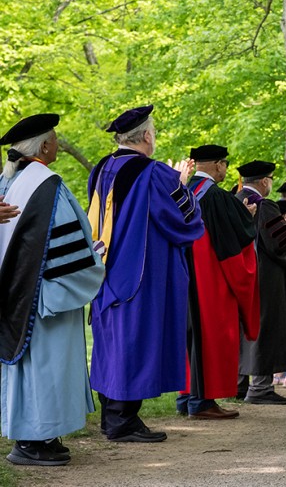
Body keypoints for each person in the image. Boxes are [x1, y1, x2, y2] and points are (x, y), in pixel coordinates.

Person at [88, 105, 204, 442]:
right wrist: (181, 185)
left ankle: (115, 417)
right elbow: (183, 221)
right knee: (134, 343)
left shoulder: (100, 168)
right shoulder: (153, 173)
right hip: (139, 276)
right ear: (148, 137)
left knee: (112, 344)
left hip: (104, 271)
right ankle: (122, 422)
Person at [0, 114, 105, 466]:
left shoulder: (8, 182)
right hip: (46, 296)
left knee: (30, 369)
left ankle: (37, 438)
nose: (58, 144)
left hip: (16, 294)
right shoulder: (47, 184)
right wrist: (95, 261)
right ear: (44, 146)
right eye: (55, 139)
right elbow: (68, 241)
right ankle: (34, 441)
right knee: (46, 367)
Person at [176, 145, 259, 419]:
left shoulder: (183, 192)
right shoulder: (216, 197)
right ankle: (202, 402)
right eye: (225, 164)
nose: (226, 169)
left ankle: (187, 396)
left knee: (189, 336)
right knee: (210, 337)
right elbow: (235, 245)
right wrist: (246, 218)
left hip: (183, 278)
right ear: (218, 165)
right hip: (210, 281)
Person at [235, 160, 286, 406]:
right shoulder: (265, 206)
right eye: (271, 179)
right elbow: (280, 243)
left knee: (241, 329)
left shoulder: (233, 200)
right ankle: (260, 388)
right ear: (264, 181)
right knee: (265, 327)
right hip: (265, 278)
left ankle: (238, 385)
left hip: (238, 275)